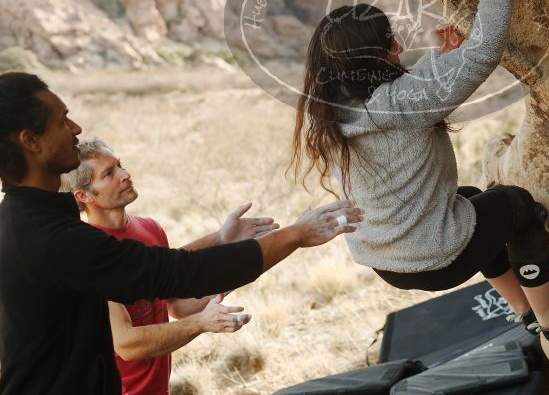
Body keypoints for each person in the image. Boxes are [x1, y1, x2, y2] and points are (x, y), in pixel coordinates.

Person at [290, 0, 549, 344]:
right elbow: (484, 51)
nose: (398, 47)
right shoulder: (398, 103)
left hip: (387, 261)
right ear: (378, 54)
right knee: (517, 206)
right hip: (433, 258)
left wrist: (439, 64)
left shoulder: (330, 112)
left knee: (469, 201)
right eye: (391, 42)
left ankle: (523, 308)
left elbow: (401, 108)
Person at [0, 72, 363, 395]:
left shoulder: (29, 224)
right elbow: (178, 274)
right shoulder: (52, 239)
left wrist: (222, 240)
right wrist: (295, 235)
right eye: (62, 121)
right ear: (31, 141)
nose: (76, 128)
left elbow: (154, 271)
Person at [60, 137, 277, 395]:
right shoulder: (89, 252)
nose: (126, 175)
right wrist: (200, 323)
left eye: (120, 165)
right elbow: (127, 345)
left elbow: (179, 305)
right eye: (109, 173)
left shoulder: (149, 228)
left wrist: (241, 260)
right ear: (83, 195)